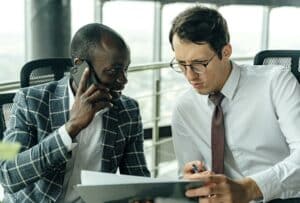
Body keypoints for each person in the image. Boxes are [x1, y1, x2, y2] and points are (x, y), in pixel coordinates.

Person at [0, 23, 150, 202]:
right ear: (80, 66)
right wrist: (70, 129)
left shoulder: (128, 110)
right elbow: (7, 174)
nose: (123, 80)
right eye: (113, 71)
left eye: (125, 69)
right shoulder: (28, 100)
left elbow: (137, 178)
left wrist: (145, 194)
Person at [169, 6, 300, 203]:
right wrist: (193, 179)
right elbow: (186, 176)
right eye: (181, 64)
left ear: (226, 51)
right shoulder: (184, 107)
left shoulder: (275, 82)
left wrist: (249, 189)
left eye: (200, 64)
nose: (190, 76)